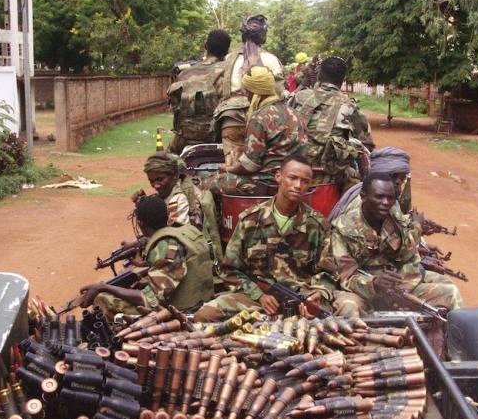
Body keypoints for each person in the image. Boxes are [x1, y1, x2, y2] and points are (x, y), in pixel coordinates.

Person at [194, 154, 336, 322]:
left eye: (305, 181)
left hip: (301, 301)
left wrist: (316, 294)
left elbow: (329, 273)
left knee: (332, 318)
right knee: (206, 314)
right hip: (257, 299)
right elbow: (229, 270)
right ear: (278, 176)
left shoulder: (317, 225)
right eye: (292, 178)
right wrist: (259, 295)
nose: (298, 185)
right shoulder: (251, 220)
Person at [320, 173, 463, 322]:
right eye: (379, 197)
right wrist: (374, 284)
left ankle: (454, 343)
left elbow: (408, 253)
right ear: (363, 197)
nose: (386, 203)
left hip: (397, 287)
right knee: (348, 307)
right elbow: (344, 276)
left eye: (390, 198)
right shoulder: (343, 229)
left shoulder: (394, 217)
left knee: (449, 292)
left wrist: (400, 283)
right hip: (359, 291)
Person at [78, 196, 214, 316]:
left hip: (185, 311)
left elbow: (150, 299)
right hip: (202, 300)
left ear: (141, 223)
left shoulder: (166, 246)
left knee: (104, 299)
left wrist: (104, 287)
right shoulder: (185, 231)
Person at [207, 66, 307, 196]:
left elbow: (250, 165)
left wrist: (229, 169)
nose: (246, 96)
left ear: (254, 93)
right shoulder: (296, 114)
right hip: (292, 180)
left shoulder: (260, 117)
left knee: (211, 183)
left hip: (267, 183)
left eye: (247, 91)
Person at [290, 56, 374, 191]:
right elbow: (366, 141)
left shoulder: (299, 96)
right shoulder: (350, 106)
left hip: (292, 167)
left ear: (320, 75)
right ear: (342, 80)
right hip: (329, 175)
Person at [213, 14, 284, 167]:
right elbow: (279, 92)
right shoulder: (271, 59)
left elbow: (218, 88)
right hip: (265, 119)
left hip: (231, 119)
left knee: (233, 167)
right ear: (263, 35)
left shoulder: (228, 59)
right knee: (265, 165)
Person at [133, 153, 223, 261]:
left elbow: (173, 240)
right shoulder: (178, 188)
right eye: (152, 181)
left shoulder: (179, 199)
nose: (156, 185)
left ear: (175, 175)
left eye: (160, 179)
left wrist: (141, 243)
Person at [168, 30, 231, 154]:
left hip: (185, 140)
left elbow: (175, 110)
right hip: (221, 139)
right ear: (227, 51)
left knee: (163, 163)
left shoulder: (184, 74)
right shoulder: (230, 72)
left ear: (205, 46)